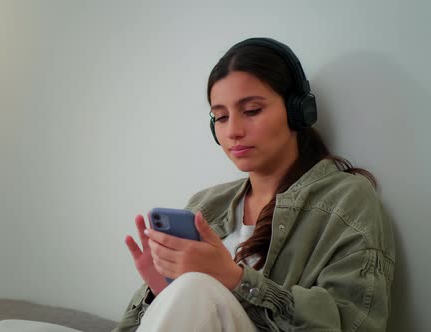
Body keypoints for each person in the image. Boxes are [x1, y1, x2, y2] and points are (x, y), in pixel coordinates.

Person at [115, 38, 395, 332]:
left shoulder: (347, 200)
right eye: (221, 117)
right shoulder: (206, 206)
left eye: (251, 111)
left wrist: (235, 280)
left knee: (196, 287)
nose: (233, 131)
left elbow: (353, 324)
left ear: (297, 111)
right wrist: (160, 291)